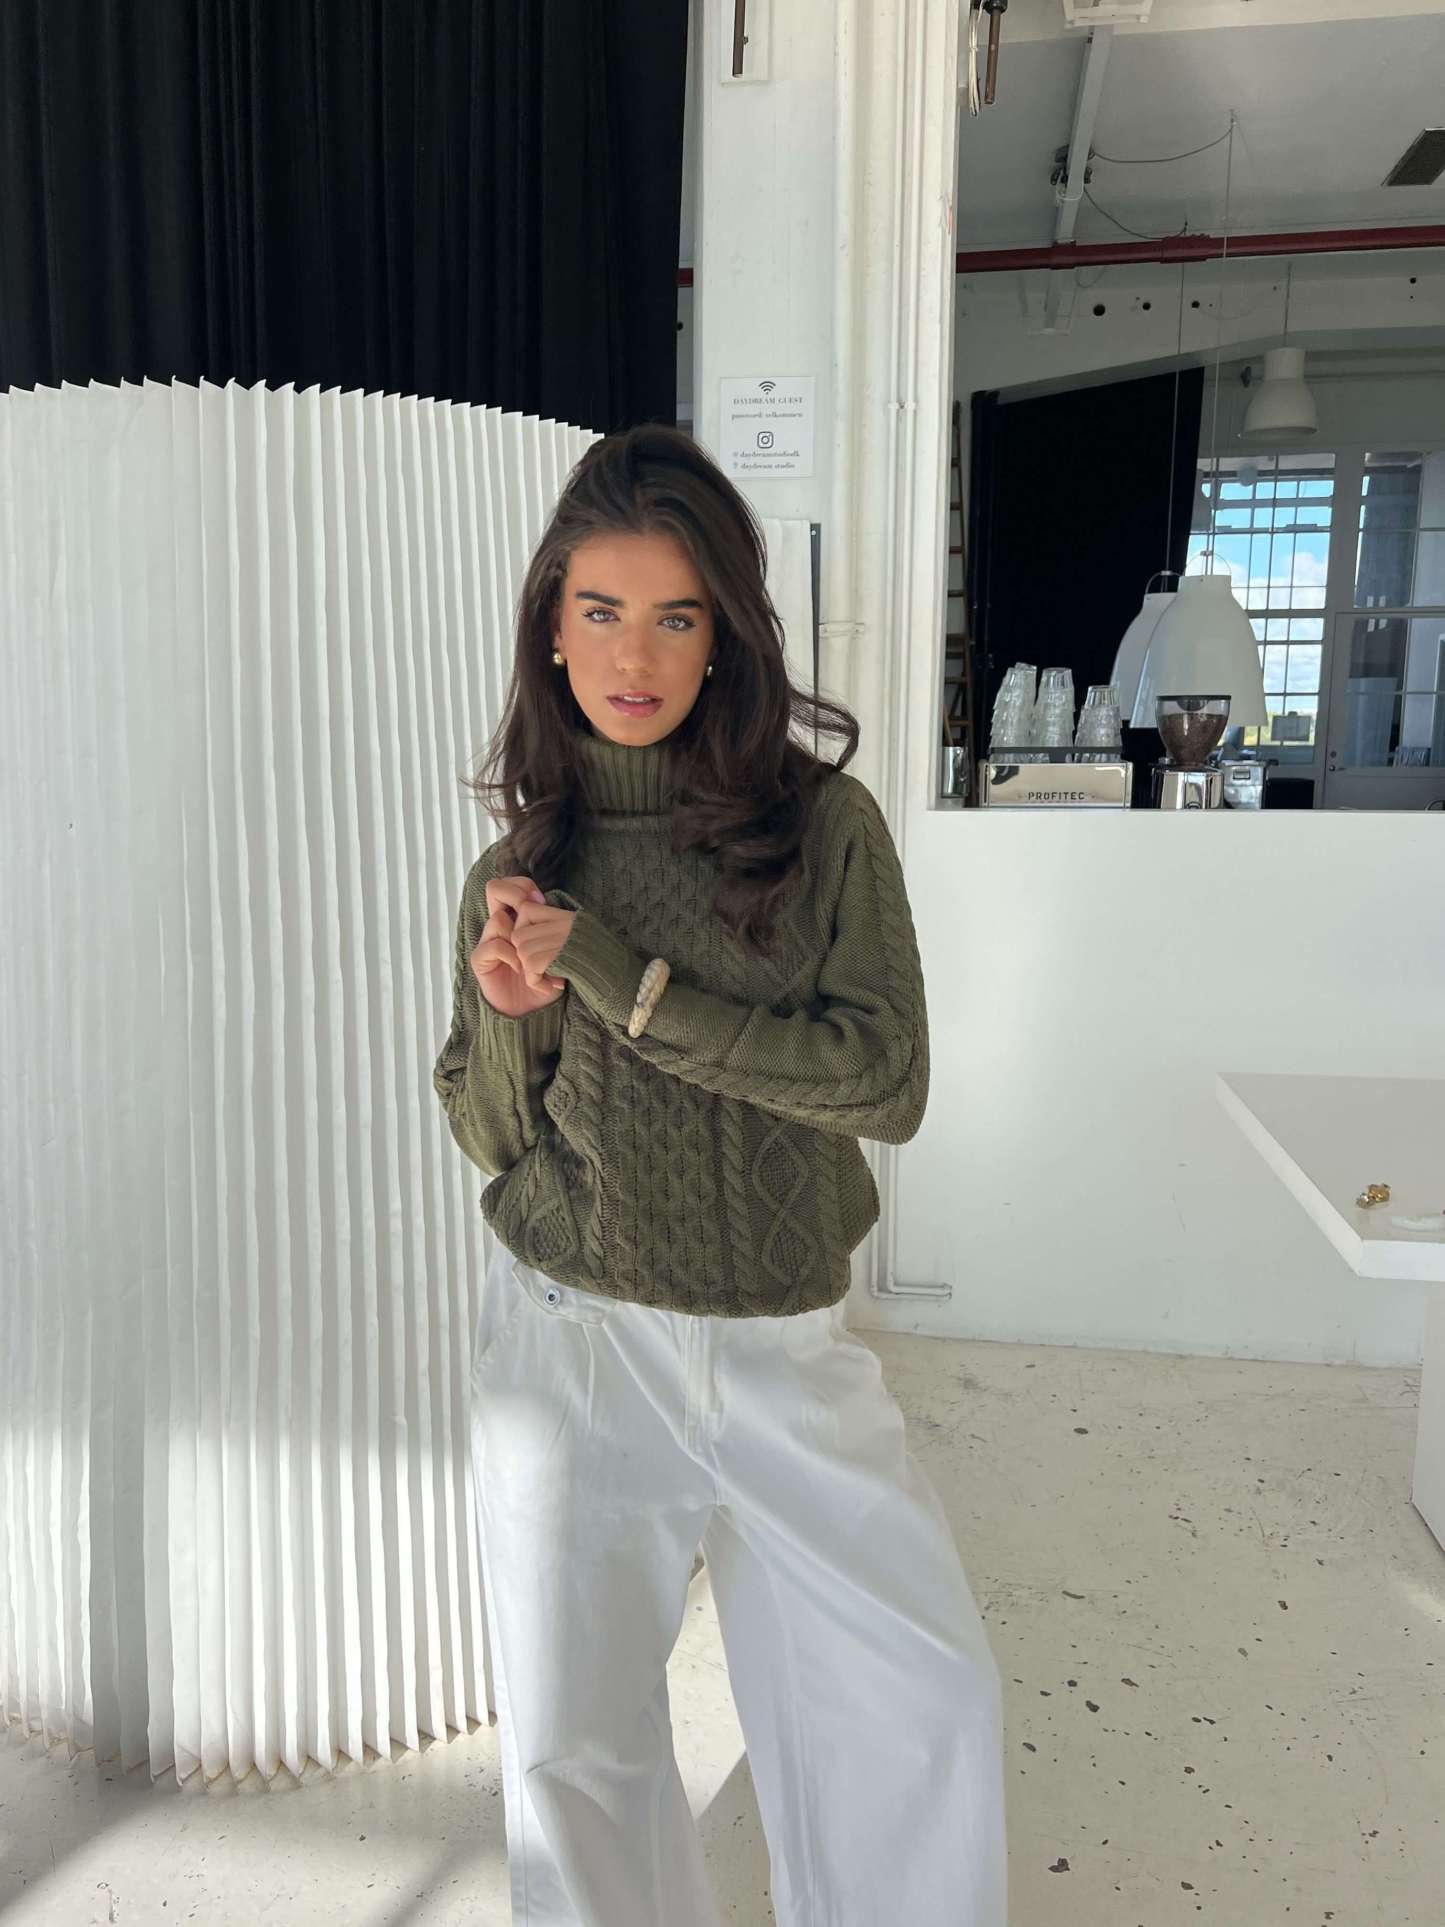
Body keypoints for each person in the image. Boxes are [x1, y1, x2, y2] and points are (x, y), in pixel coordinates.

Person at [432, 423, 1007, 1926]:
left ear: (725, 634)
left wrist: (633, 993)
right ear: (552, 627)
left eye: (676, 616)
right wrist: (513, 1019)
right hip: (574, 1342)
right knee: (572, 1746)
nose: (635, 655)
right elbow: (495, 1139)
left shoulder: (823, 831)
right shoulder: (520, 869)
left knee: (913, 1700)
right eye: (603, 610)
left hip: (780, 1345)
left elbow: (885, 1083)